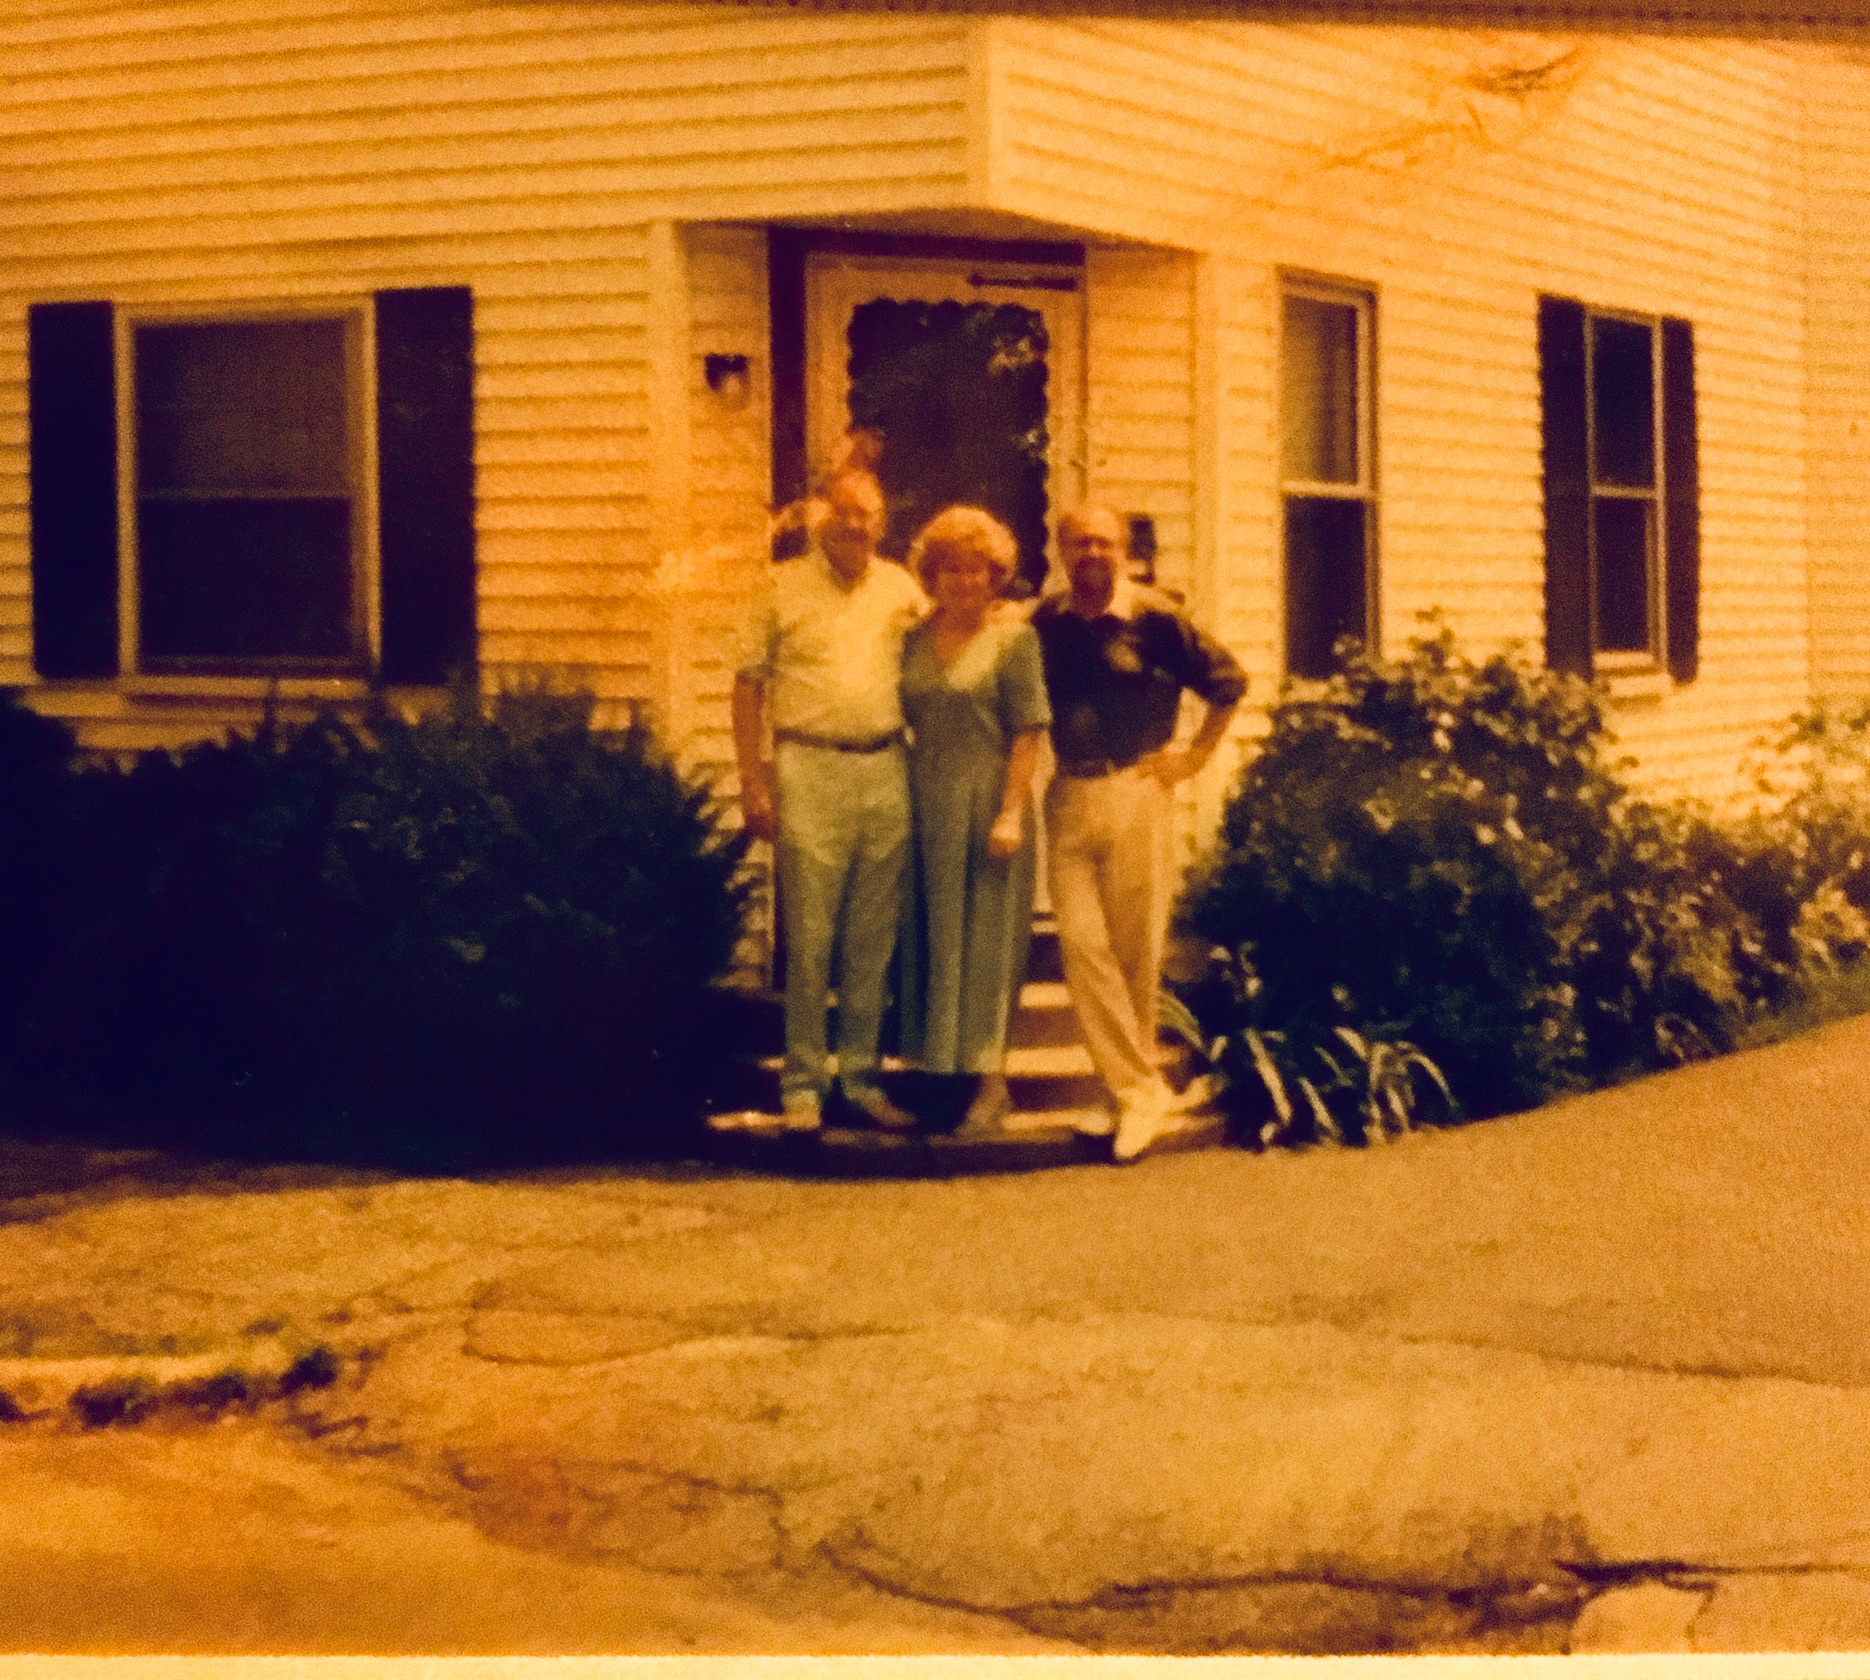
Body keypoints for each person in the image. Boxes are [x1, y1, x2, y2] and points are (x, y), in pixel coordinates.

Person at [1032, 504, 1248, 1163]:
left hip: (1137, 791)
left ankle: (1118, 1091)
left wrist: (1193, 758)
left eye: (1103, 542)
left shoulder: (1155, 618)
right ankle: (1141, 1088)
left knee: (1134, 951)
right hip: (1069, 791)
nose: (1091, 552)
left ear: (1122, 550)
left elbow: (1229, 682)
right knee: (1082, 946)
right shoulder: (1046, 621)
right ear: (1061, 550)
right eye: (1079, 542)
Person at [732, 467, 929, 1133]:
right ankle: (803, 1087)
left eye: (866, 512)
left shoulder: (902, 589)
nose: (854, 523)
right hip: (808, 766)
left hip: (885, 766)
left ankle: (861, 1080)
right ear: (821, 519)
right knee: (811, 936)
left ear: (882, 521)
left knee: (873, 940)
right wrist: (752, 780)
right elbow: (748, 685)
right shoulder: (779, 586)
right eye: (842, 511)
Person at [897, 507, 1051, 1135]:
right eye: (951, 569)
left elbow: (1028, 731)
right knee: (932, 935)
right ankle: (937, 1077)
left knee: (989, 941)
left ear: (996, 576)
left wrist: (1011, 811)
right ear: (932, 575)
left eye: (977, 569)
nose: (964, 581)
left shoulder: (1014, 640)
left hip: (991, 797)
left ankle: (992, 1088)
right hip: (924, 798)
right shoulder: (912, 639)